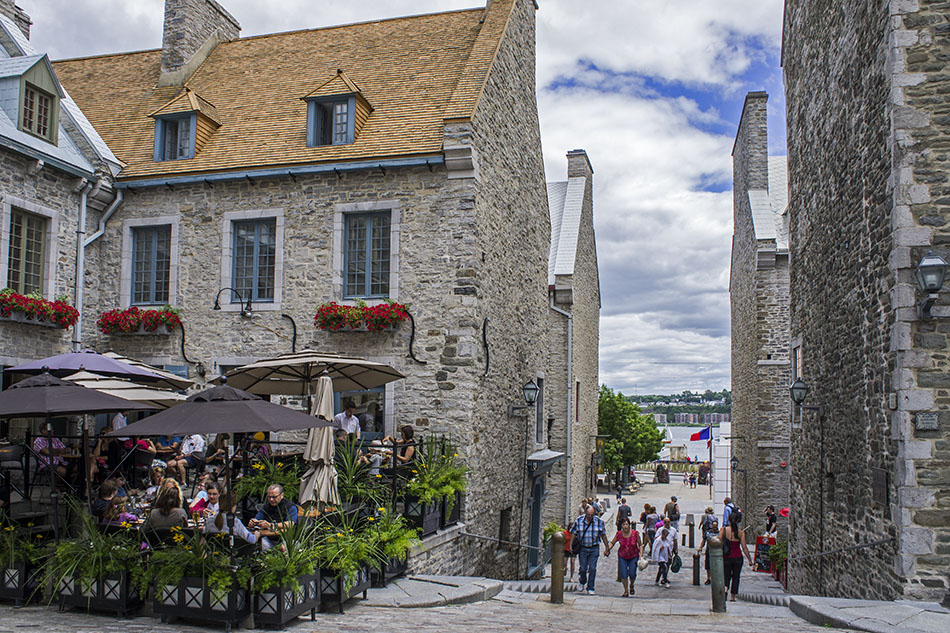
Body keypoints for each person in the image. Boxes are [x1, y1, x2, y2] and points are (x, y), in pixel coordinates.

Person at [569, 505, 609, 595]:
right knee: (583, 568)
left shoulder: (599, 522)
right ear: (585, 513)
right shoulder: (579, 520)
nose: (590, 516)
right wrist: (570, 545)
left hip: (594, 547)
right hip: (583, 547)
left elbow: (603, 535)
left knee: (592, 568)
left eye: (591, 515)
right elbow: (573, 533)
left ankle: (590, 587)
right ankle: (582, 581)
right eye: (588, 515)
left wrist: (607, 547)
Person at [249, 484, 298, 550]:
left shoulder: (290, 507)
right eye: (269, 497)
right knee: (263, 544)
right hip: (269, 538)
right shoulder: (266, 507)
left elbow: (290, 524)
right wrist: (253, 522)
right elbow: (257, 518)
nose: (271, 499)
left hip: (287, 538)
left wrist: (271, 525)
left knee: (284, 548)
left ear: (282, 495)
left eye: (274, 497)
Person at [719, 507, 753, 601]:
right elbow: (744, 547)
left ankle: (725, 591)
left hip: (726, 556)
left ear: (729, 520)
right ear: (738, 520)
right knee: (736, 577)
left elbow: (718, 542)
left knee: (726, 576)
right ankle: (733, 596)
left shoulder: (723, 530)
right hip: (737, 557)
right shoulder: (741, 533)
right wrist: (750, 560)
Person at [605, 516, 640, 597]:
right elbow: (612, 543)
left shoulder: (635, 534)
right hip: (622, 556)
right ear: (621, 526)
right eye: (623, 524)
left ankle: (632, 584)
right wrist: (608, 549)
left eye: (626, 524)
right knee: (623, 574)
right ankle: (626, 591)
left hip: (633, 556)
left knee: (632, 573)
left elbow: (640, 544)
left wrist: (641, 554)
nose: (625, 526)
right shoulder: (619, 534)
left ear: (629, 525)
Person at [699, 506, 719, 584]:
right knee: (708, 565)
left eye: (715, 526)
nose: (714, 528)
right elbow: (704, 540)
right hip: (709, 549)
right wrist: (700, 547)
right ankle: (709, 578)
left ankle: (714, 577)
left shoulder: (719, 533)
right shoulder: (708, 533)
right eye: (713, 526)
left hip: (717, 551)